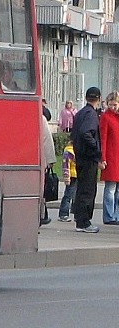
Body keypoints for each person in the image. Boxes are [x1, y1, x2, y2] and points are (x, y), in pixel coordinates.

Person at [70, 86, 105, 233]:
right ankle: (84, 221)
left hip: (80, 156)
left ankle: (79, 219)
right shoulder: (91, 115)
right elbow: (86, 133)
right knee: (88, 190)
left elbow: (76, 133)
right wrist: (97, 148)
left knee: (81, 188)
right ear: (99, 98)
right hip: (88, 157)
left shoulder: (80, 113)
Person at [99, 91, 119, 225]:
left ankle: (116, 215)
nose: (113, 107)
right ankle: (109, 216)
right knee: (110, 188)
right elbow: (103, 138)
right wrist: (103, 157)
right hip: (111, 156)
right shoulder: (106, 117)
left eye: (115, 105)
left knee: (117, 190)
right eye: (111, 104)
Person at [39, 113, 55, 226]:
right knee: (40, 190)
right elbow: (47, 141)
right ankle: (42, 215)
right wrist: (50, 160)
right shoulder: (41, 119)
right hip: (39, 161)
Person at [57, 141, 78, 222]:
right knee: (68, 195)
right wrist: (66, 177)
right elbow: (65, 165)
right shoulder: (69, 152)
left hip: (77, 175)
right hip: (72, 176)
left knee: (76, 196)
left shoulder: (76, 150)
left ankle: (76, 213)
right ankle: (63, 214)